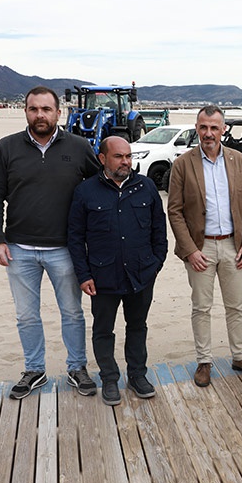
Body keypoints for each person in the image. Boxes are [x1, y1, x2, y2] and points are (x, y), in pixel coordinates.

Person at [0, 86, 101, 400]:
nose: (40, 115)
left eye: (46, 109)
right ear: (25, 111)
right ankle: (34, 369)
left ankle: (77, 367)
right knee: (26, 316)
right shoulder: (6, 147)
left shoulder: (79, 147)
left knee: (72, 312)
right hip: (19, 249)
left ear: (58, 113)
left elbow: (98, 189)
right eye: (34, 109)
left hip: (65, 249)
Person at [167, 105, 242, 387]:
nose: (208, 133)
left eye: (214, 128)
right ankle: (204, 361)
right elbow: (175, 211)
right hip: (201, 248)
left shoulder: (238, 160)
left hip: (234, 246)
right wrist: (190, 250)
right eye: (203, 127)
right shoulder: (183, 163)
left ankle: (240, 356)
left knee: (236, 306)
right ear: (197, 128)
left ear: (223, 130)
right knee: (201, 307)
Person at [67, 137, 168, 405]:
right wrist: (84, 275)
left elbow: (159, 230)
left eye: (128, 156)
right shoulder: (85, 191)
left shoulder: (146, 187)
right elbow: (75, 238)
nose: (125, 162)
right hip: (103, 277)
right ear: (102, 159)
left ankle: (137, 375)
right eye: (119, 157)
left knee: (137, 327)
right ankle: (109, 379)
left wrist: (156, 264)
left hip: (141, 275)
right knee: (103, 330)